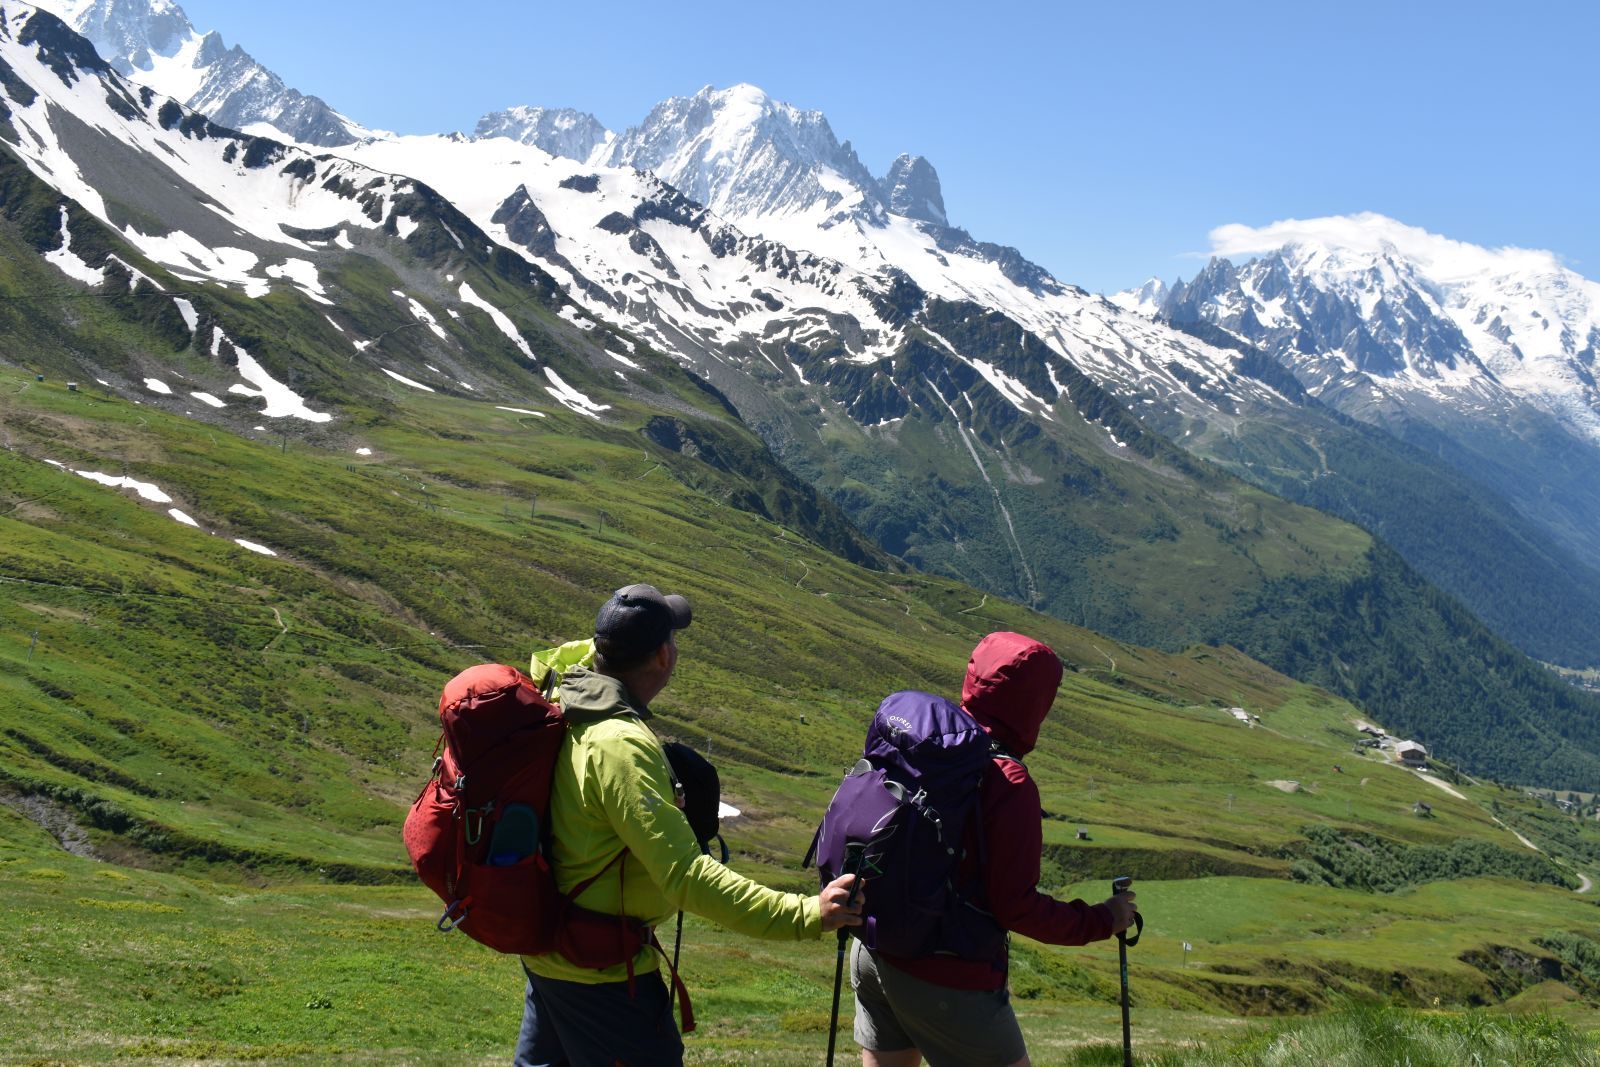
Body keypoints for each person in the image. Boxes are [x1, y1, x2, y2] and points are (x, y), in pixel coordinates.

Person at [517, 583, 865, 1067]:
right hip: (601, 975)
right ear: (662, 655)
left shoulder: (564, 694)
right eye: (673, 642)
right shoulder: (619, 744)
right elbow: (685, 875)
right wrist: (806, 914)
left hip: (551, 953)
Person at [850, 631, 1139, 1067]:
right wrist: (1103, 919)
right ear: (1035, 701)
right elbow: (1015, 907)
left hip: (873, 947)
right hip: (947, 973)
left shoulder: (921, 742)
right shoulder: (1008, 781)